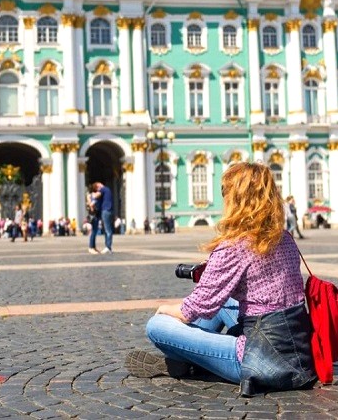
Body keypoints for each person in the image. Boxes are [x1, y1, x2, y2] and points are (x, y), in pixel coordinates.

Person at [124, 162, 316, 396]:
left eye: (225, 194)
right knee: (223, 302)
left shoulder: (235, 246)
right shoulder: (284, 237)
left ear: (236, 200)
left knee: (157, 326)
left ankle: (191, 360)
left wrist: (163, 308)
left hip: (258, 359)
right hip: (297, 349)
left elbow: (193, 308)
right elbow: (257, 288)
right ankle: (197, 355)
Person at [87, 185, 102, 254]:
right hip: (94, 215)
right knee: (93, 231)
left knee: (95, 231)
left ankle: (94, 247)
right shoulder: (92, 195)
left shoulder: (91, 195)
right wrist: (93, 204)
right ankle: (91, 247)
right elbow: (91, 204)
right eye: (98, 187)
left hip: (96, 214)